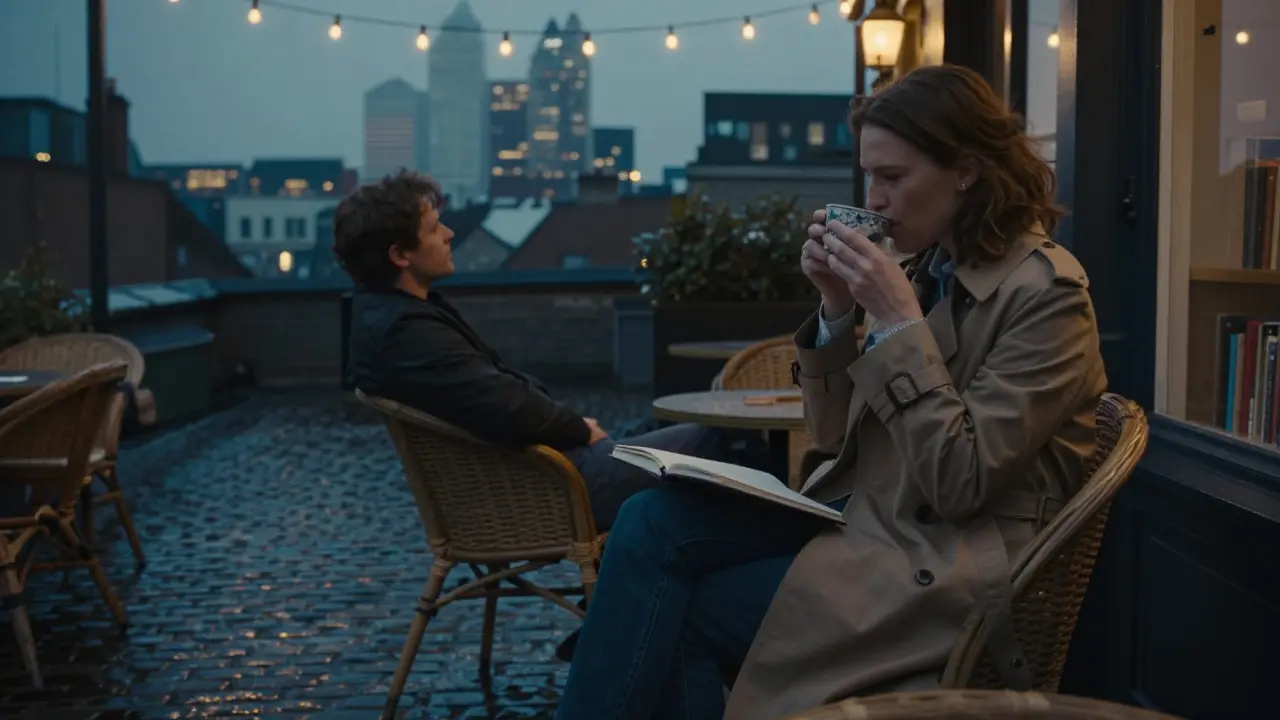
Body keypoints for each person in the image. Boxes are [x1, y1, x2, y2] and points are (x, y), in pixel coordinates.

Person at [554, 64, 1109, 720]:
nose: (873, 199)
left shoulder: (1046, 296)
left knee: (680, 608)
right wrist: (837, 312)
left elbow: (961, 482)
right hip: (874, 526)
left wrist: (899, 324)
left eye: (893, 178)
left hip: (947, 568)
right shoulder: (934, 270)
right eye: (869, 176)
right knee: (649, 520)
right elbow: (830, 436)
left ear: (965, 170)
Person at [337, 170, 765, 535]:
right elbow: (503, 405)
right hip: (550, 487)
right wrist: (578, 429)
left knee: (672, 422)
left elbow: (496, 397)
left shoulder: (393, 318)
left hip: (540, 472)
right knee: (719, 437)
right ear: (399, 255)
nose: (448, 234)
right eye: (433, 229)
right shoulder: (405, 333)